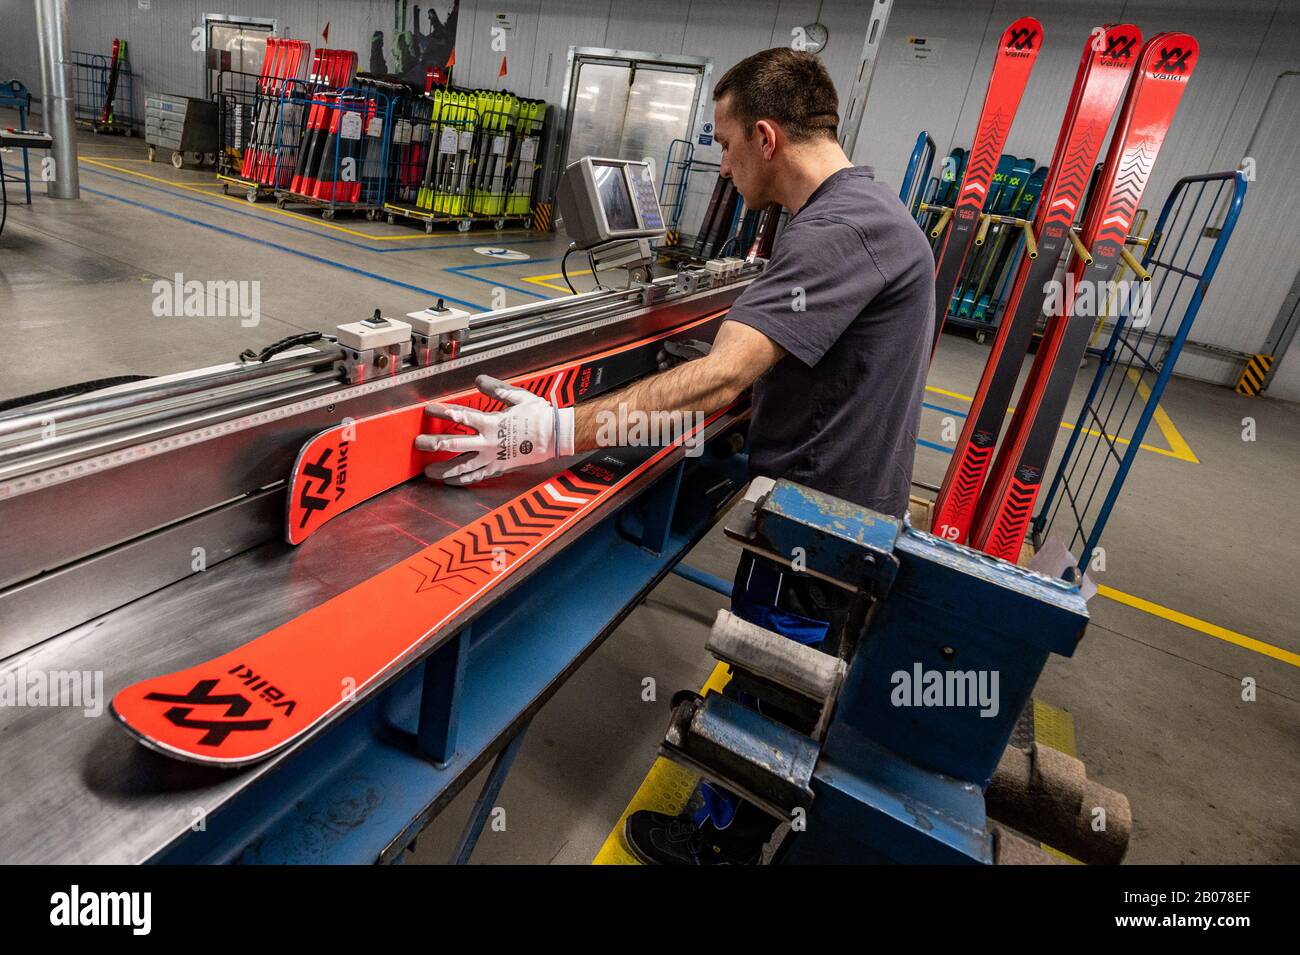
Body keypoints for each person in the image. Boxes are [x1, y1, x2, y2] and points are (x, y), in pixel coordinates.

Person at [416, 47, 935, 864]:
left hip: (819, 526)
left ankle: (721, 842)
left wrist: (551, 430)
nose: (722, 169)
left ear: (767, 137)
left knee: (776, 680)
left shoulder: (837, 233)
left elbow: (723, 376)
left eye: (726, 146)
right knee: (781, 673)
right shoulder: (860, 211)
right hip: (834, 504)